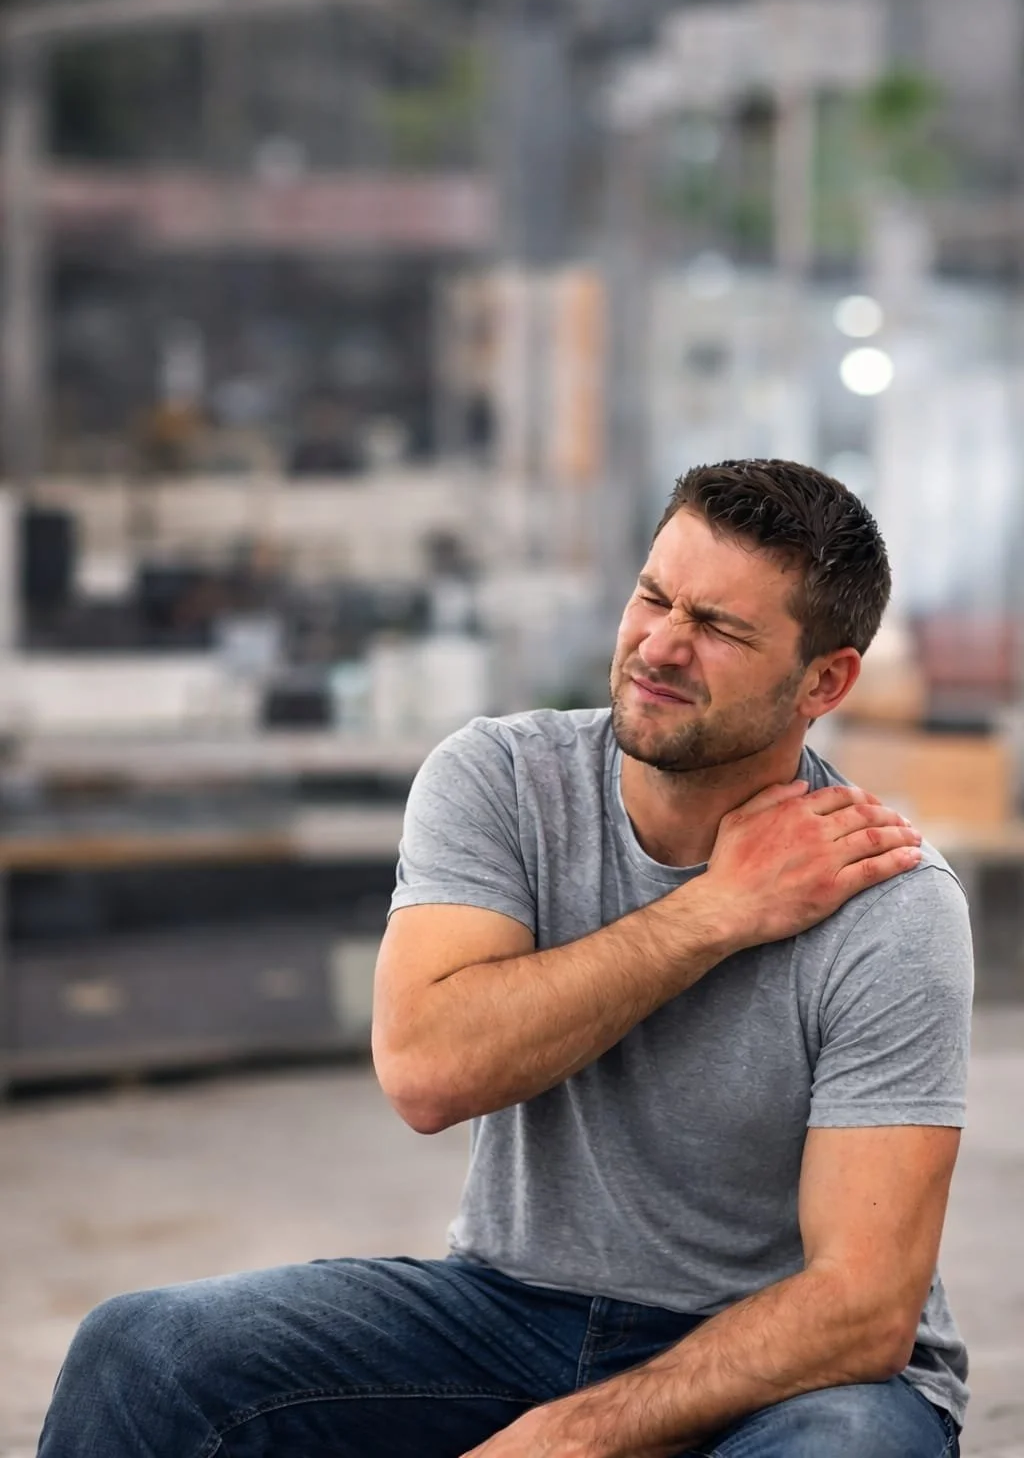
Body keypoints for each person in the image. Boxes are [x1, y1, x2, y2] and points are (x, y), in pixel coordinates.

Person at [37, 458, 971, 1458]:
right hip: (506, 1312)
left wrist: (567, 1438)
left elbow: (861, 1309)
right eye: (653, 596)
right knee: (142, 1352)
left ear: (822, 680)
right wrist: (714, 913)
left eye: (719, 628)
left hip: (784, 1366)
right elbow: (430, 1072)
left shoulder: (891, 902)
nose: (659, 645)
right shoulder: (500, 779)